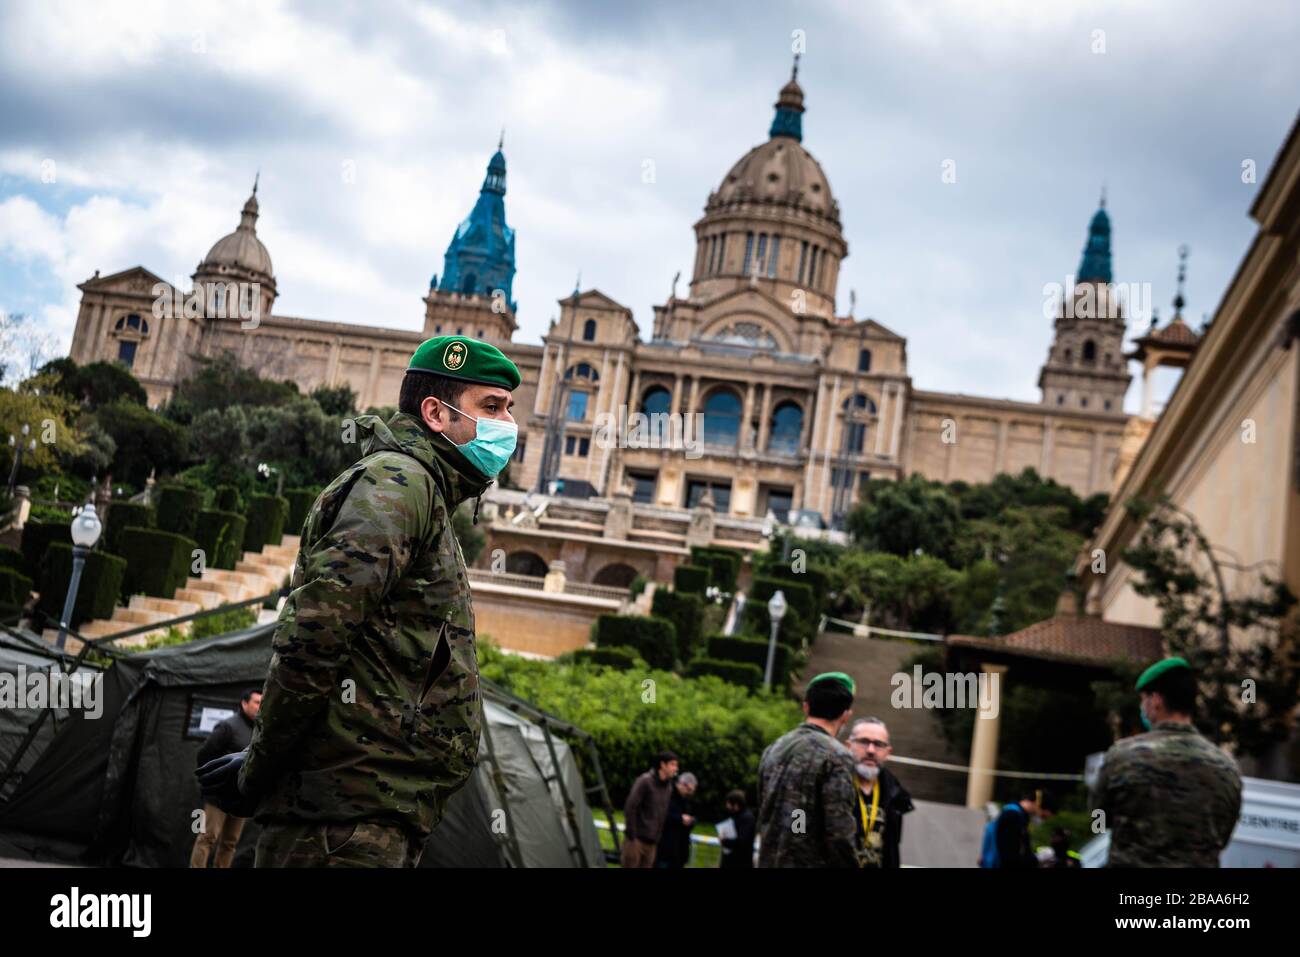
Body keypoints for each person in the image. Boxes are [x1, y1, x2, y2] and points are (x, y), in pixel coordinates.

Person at [196, 335, 521, 868]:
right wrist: (258, 770)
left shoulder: (427, 492)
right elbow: (314, 637)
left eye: (508, 408)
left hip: (369, 813)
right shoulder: (397, 485)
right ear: (436, 413)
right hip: (339, 821)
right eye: (491, 407)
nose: (507, 425)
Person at [1091, 656, 1242, 867]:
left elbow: (1098, 820)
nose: (1143, 707)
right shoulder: (1227, 768)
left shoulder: (1122, 757)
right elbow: (1222, 837)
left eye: (1144, 699)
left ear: (1156, 700)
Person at [757, 672, 865, 868]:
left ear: (806, 706)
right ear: (846, 715)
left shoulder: (774, 748)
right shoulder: (837, 757)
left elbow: (765, 809)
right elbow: (839, 832)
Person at [190, 689, 261, 868]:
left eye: (263, 703)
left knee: (230, 842)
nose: (260, 707)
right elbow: (205, 754)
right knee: (207, 837)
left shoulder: (259, 730)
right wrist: (212, 783)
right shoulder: (228, 726)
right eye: (257, 702)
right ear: (245, 703)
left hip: (241, 795)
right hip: (217, 796)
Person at [846, 716, 913, 868]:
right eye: (863, 742)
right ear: (848, 745)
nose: (870, 750)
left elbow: (892, 849)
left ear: (888, 752)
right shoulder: (832, 786)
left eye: (878, 744)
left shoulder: (895, 794)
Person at [621, 751, 679, 868]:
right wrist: (632, 835)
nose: (676, 768)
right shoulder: (645, 781)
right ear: (662, 765)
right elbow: (630, 806)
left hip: (652, 843)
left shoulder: (668, 787)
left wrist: (657, 838)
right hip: (636, 840)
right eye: (673, 764)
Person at [990, 791, 1049, 869]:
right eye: (1042, 814)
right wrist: (1036, 860)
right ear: (1036, 804)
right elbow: (1011, 854)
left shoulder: (1013, 812)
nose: (1039, 815)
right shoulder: (1013, 816)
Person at [655, 772, 698, 868]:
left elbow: (695, 816)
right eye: (689, 789)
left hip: (680, 849)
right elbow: (660, 815)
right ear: (682, 784)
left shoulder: (688, 799)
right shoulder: (667, 794)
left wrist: (691, 821)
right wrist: (680, 819)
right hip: (665, 848)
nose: (690, 793)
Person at [718, 789, 756, 869]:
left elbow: (741, 842)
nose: (727, 806)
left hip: (739, 862)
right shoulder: (737, 816)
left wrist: (725, 841)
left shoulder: (746, 819)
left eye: (729, 804)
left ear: (736, 805)